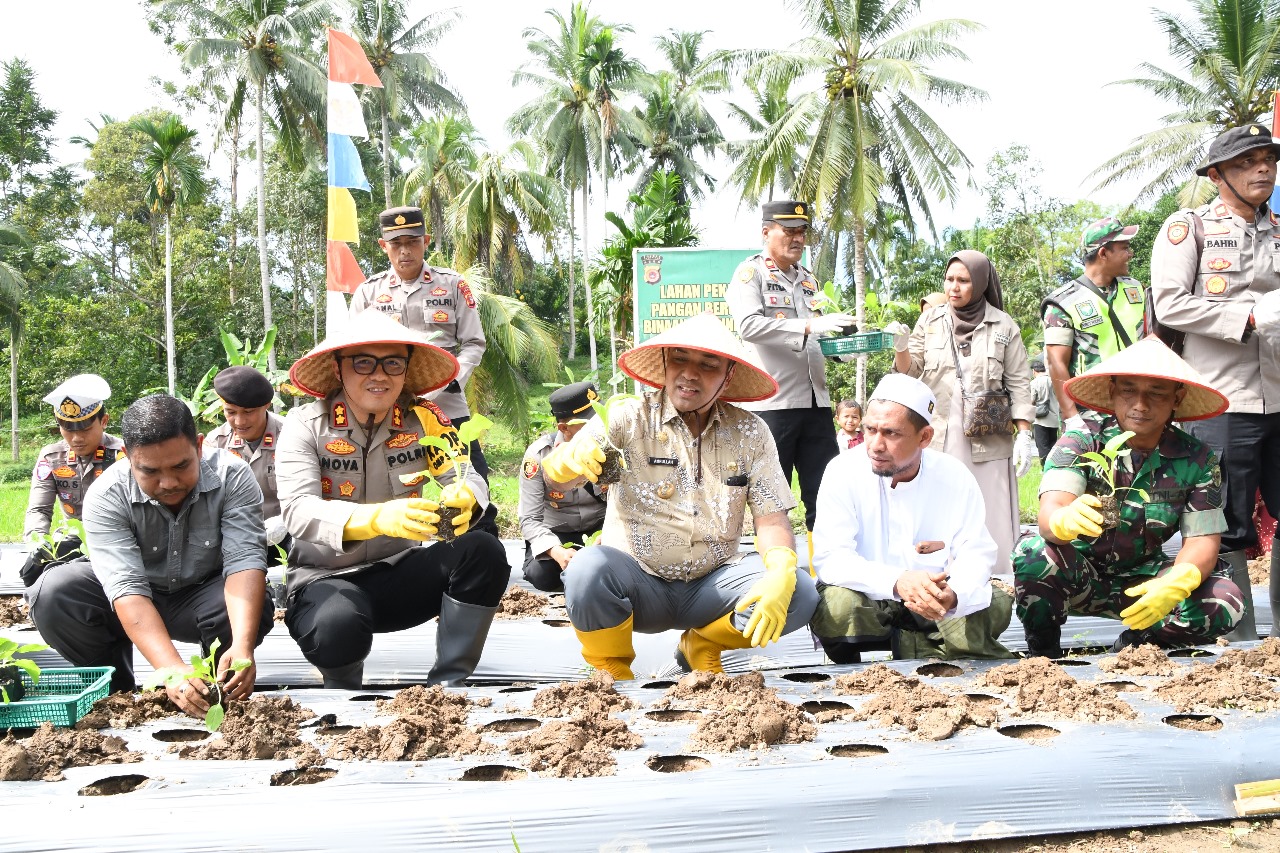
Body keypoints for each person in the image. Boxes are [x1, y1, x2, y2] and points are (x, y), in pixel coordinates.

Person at [541, 313, 819, 678]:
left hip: (714, 586)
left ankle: (702, 644)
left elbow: (771, 517)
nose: (690, 373)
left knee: (799, 593)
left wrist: (782, 566)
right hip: (638, 582)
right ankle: (612, 669)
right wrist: (565, 463)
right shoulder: (627, 416)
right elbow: (562, 478)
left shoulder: (750, 431)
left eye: (708, 365)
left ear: (729, 374)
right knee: (585, 570)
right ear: (664, 363)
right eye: (679, 359)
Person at [276, 310, 509, 689]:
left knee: (482, 550)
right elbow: (298, 512)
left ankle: (448, 685)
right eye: (364, 363)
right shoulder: (305, 425)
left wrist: (467, 495)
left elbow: (464, 472)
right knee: (338, 624)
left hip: (400, 573)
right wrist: (379, 519)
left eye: (393, 363)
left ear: (405, 370)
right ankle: (343, 692)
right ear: (339, 369)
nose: (379, 375)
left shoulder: (423, 419)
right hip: (326, 579)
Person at [27, 394, 273, 713]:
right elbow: (127, 588)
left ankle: (219, 692)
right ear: (128, 457)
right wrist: (171, 669)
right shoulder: (107, 494)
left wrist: (242, 646)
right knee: (55, 593)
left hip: (202, 594)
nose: (168, 482)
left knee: (252, 606)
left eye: (181, 466)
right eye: (151, 471)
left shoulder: (232, 475)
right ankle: (116, 691)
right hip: (133, 600)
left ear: (199, 447)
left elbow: (244, 563)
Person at [1013, 338, 1242, 656]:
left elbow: (1202, 541)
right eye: (1128, 391)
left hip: (1143, 582)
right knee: (1035, 553)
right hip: (1076, 575)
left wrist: (1178, 579)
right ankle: (1043, 649)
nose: (1141, 404)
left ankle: (1140, 645)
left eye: (1157, 393)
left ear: (1178, 397)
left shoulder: (1198, 460)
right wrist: (1062, 520)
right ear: (1111, 391)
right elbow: (1050, 513)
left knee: (1223, 599)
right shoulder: (1082, 441)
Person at [1151, 122, 1280, 641]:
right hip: (1222, 399)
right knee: (1223, 522)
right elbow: (1171, 303)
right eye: (1248, 161)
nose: (1263, 169)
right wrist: (1247, 317)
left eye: (1268, 159)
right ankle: (1238, 638)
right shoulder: (1190, 228)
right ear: (1217, 173)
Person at [811, 374, 1013, 661]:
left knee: (994, 603)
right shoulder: (842, 471)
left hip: (933, 603)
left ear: (924, 437)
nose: (875, 445)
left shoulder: (953, 476)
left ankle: (911, 641)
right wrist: (898, 581)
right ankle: (901, 651)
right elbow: (831, 558)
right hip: (869, 599)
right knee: (836, 605)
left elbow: (976, 551)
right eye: (870, 430)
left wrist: (953, 595)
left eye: (891, 434)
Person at [886, 250, 1036, 573]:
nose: (954, 287)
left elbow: (1020, 384)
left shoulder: (1003, 325)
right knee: (943, 500)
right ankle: (943, 573)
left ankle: (991, 577)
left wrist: (1025, 434)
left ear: (980, 283)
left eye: (963, 280)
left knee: (988, 505)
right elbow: (909, 373)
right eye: (950, 279)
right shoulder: (931, 320)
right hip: (940, 430)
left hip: (988, 433)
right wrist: (900, 347)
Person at [725, 200, 855, 549]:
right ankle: (772, 575)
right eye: (789, 231)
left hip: (816, 402)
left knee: (825, 493)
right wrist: (811, 325)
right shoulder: (750, 274)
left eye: (802, 232)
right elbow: (749, 326)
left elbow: (816, 337)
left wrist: (845, 342)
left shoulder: (809, 279)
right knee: (770, 498)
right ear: (766, 232)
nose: (798, 239)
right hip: (774, 404)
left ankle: (826, 573)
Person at [348, 205, 490, 479]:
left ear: (425, 242)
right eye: (396, 244)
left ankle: (479, 523)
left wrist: (449, 381)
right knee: (388, 477)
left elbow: (474, 343)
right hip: (387, 405)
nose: (405, 251)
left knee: (470, 477)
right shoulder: (368, 292)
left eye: (413, 242)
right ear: (383, 246)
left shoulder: (452, 284)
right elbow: (353, 350)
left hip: (445, 402)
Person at [21, 375, 126, 587]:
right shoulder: (52, 457)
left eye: (86, 430)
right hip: (71, 540)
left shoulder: (122, 455)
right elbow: (39, 509)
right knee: (33, 572)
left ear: (104, 421)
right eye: (68, 430)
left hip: (116, 539)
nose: (76, 439)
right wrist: (38, 541)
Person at [1042, 217, 1144, 429]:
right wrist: (1071, 418)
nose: (1130, 254)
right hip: (1091, 415)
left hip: (1139, 408)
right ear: (1103, 253)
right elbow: (1056, 363)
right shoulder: (1063, 302)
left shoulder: (1136, 290)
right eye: (1124, 248)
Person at [518, 381, 608, 592]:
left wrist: (610, 534)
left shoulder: (609, 447)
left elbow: (623, 503)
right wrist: (556, 551)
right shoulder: (538, 455)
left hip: (601, 530)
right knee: (543, 576)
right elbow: (529, 518)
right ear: (564, 428)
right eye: (589, 423)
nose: (599, 427)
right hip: (557, 534)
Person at [206, 366, 288, 554]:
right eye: (231, 412)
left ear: (266, 405)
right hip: (234, 540)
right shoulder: (217, 443)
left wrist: (286, 522)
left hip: (286, 536)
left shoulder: (291, 435)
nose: (240, 422)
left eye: (249, 412)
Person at [1030, 354, 1060, 465]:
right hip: (1054, 419)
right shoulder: (1053, 380)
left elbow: (1032, 400)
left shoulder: (1034, 383)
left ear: (1034, 371)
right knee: (1053, 444)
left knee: (1042, 445)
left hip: (1041, 420)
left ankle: (1045, 467)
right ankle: (1054, 465)